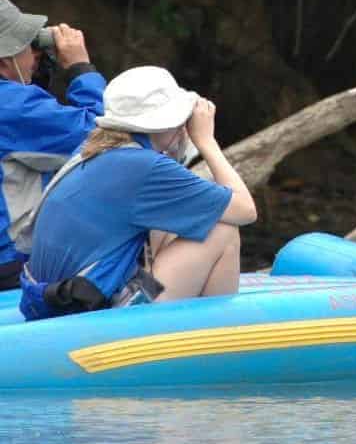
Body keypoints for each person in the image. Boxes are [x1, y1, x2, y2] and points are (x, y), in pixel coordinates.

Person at [19, 65, 257, 321]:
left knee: (177, 218)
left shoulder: (95, 148)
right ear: (166, 123)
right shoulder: (144, 167)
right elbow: (245, 210)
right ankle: (217, 334)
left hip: (51, 303)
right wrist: (207, 142)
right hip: (86, 315)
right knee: (222, 232)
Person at [0, 0, 106, 289]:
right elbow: (104, 137)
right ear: (5, 59)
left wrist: (34, 77)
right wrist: (81, 69)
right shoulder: (11, 105)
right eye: (26, 46)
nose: (33, 55)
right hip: (12, 264)